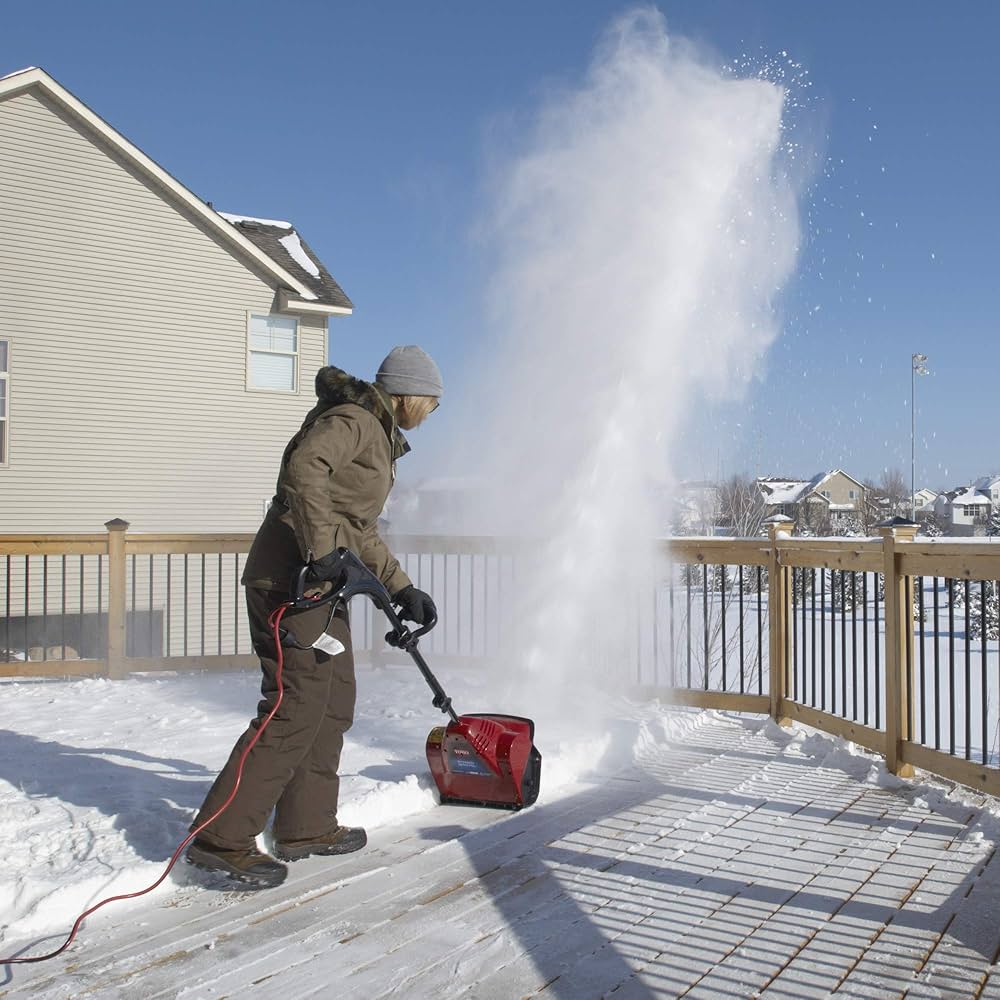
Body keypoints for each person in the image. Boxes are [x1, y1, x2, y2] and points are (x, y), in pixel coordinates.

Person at [186, 345, 443, 888]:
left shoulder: (377, 434)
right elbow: (304, 469)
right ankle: (220, 838)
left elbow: (359, 528)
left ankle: (306, 826)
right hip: (290, 583)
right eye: (432, 401)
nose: (433, 412)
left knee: (333, 702)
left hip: (322, 588)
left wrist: (402, 588)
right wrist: (322, 550)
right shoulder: (355, 420)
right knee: (294, 703)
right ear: (409, 394)